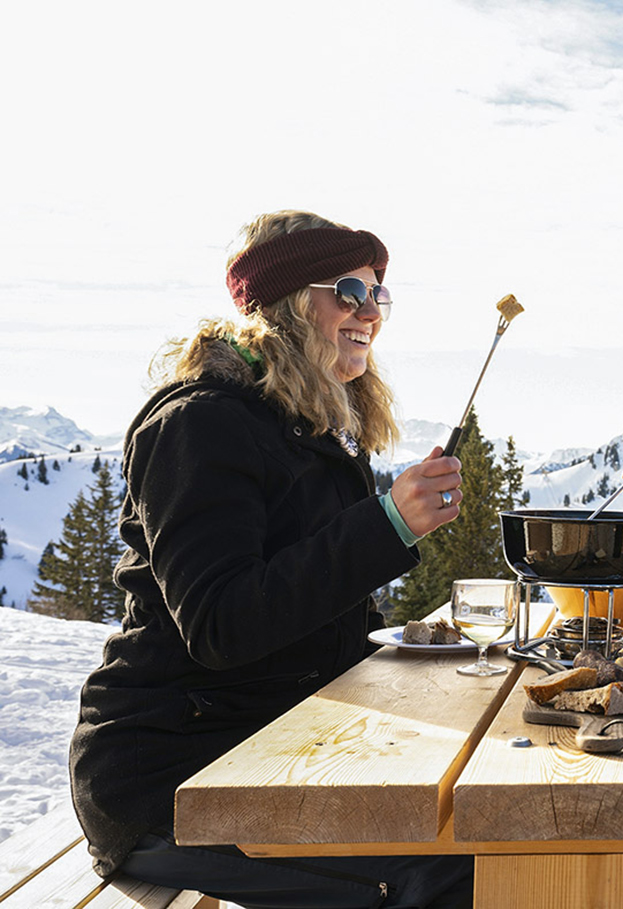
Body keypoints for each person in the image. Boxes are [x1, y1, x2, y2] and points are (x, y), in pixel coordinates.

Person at [69, 211, 475, 908]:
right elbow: (221, 623)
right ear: (287, 303)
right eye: (349, 289)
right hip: (173, 776)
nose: (369, 312)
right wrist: (384, 524)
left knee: (474, 825)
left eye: (379, 294)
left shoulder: (318, 427)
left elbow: (323, 609)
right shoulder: (199, 424)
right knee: (445, 875)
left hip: (275, 745)